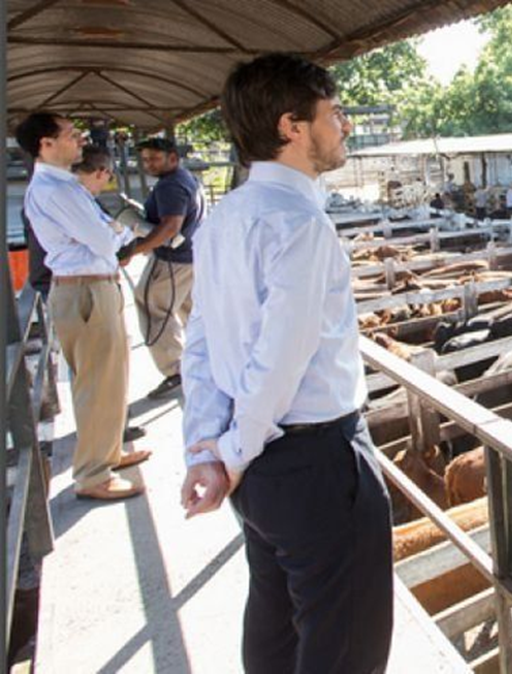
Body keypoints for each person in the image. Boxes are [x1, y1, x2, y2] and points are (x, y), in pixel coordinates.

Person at [179, 53, 392, 673]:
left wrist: (207, 451)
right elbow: (280, 362)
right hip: (316, 461)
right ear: (292, 127)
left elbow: (202, 343)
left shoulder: (225, 221)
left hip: (260, 474)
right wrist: (233, 455)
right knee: (344, 645)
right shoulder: (301, 224)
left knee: (275, 628)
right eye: (333, 114)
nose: (343, 126)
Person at [18, 113, 151, 500]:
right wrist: (119, 229)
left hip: (91, 287)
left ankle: (106, 453)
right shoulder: (56, 190)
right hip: (85, 290)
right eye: (70, 135)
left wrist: (113, 231)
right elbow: (103, 238)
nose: (79, 141)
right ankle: (93, 474)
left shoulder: (62, 186)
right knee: (96, 381)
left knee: (109, 376)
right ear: (46, 144)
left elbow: (104, 234)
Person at [123, 137, 206, 399]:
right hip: (191, 257)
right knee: (191, 312)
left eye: (155, 159)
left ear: (173, 158)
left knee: (151, 306)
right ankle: (205, 362)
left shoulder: (170, 186)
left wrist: (134, 249)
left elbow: (171, 227)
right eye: (145, 159)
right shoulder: (184, 179)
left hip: (171, 260)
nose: (149, 164)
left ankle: (174, 370)